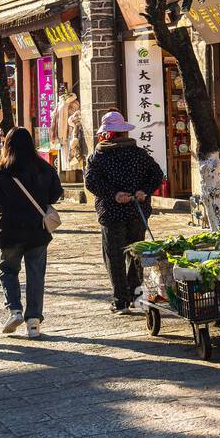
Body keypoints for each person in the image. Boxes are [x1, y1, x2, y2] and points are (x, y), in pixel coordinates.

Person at [0, 126, 63, 340]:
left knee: (8, 270)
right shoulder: (44, 168)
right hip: (37, 229)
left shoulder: (0, 169)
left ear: (7, 145)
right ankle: (33, 321)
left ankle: (15, 310)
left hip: (10, 228)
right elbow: (55, 194)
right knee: (36, 275)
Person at [84, 110, 163, 314]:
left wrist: (114, 194)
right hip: (137, 211)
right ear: (123, 132)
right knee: (136, 254)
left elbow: (91, 182)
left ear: (106, 133)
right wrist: (143, 191)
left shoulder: (98, 156)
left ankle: (120, 301)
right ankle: (135, 296)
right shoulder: (139, 154)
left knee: (115, 256)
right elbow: (157, 175)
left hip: (112, 213)